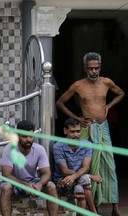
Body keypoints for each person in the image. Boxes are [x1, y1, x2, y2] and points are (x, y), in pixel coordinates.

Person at [56, 52, 125, 216]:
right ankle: (94, 204)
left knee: (109, 165)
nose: (94, 71)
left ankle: (115, 207)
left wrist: (108, 106)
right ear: (85, 69)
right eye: (91, 68)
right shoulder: (78, 85)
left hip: (103, 127)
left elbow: (121, 93)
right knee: (90, 163)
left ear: (100, 67)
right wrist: (77, 117)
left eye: (97, 68)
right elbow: (60, 103)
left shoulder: (107, 82)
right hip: (87, 129)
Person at [0, 120, 58, 216]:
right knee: (6, 187)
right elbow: (6, 175)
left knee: (51, 186)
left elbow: (47, 173)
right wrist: (24, 185)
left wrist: (39, 184)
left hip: (32, 181)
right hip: (15, 182)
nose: (28, 139)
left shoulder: (39, 149)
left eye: (31, 136)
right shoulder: (9, 149)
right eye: (24, 136)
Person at [52, 118, 102, 214]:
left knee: (80, 186)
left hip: (79, 181)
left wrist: (77, 176)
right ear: (65, 131)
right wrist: (90, 176)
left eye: (78, 131)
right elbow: (65, 171)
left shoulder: (87, 144)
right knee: (85, 178)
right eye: (72, 132)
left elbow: (86, 167)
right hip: (63, 181)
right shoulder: (58, 146)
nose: (76, 135)